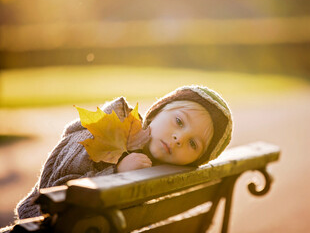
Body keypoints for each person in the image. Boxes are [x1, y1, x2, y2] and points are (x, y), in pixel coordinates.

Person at [15, 85, 233, 220]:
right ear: (157, 111)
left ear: (196, 161)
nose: (179, 139)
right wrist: (117, 172)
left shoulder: (157, 173)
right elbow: (52, 189)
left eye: (193, 144)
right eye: (179, 121)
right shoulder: (105, 131)